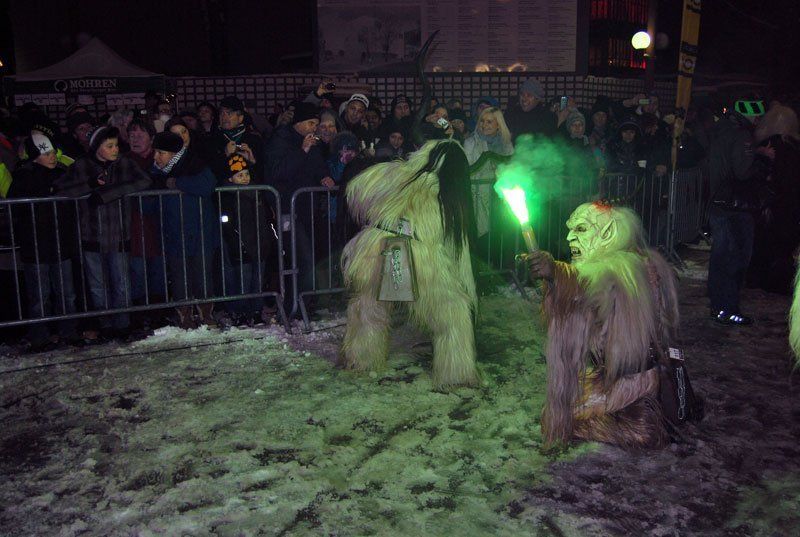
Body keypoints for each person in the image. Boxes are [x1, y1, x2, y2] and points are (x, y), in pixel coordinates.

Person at [524, 201, 681, 448]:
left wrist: (555, 273)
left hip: (633, 381)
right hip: (624, 374)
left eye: (581, 229)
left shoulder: (623, 269)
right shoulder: (637, 261)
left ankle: (640, 424)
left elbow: (588, 285)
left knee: (557, 419)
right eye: (570, 229)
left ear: (607, 234)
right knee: (565, 408)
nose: (569, 237)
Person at [341, 140, 479, 388]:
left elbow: (355, 190)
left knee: (368, 308)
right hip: (419, 255)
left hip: (374, 248)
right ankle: (456, 372)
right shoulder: (448, 195)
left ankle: (361, 360)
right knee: (453, 314)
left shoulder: (394, 173)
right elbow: (457, 251)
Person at [54, 126, 152, 340]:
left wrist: (109, 193)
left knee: (121, 283)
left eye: (116, 145)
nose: (115, 149)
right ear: (97, 147)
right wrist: (89, 186)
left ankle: (123, 325)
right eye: (109, 146)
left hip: (119, 234)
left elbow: (144, 181)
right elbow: (61, 189)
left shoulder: (125, 163)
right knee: (98, 285)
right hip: (91, 234)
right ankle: (105, 324)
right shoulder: (82, 165)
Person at [8, 131, 79, 349]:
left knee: (66, 293)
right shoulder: (23, 176)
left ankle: (68, 331)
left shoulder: (61, 172)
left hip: (60, 242)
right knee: (40, 295)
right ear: (35, 156)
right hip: (36, 245)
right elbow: (16, 206)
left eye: (53, 152)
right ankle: (40, 335)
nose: (52, 157)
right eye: (46, 153)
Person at [706, 99, 774, 325]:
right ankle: (729, 308)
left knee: (720, 257)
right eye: (757, 114)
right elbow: (743, 171)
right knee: (735, 258)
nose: (759, 119)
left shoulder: (721, 129)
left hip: (718, 202)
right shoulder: (742, 135)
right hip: (735, 206)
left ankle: (718, 306)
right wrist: (761, 157)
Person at [263, 101, 332, 314]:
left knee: (308, 258)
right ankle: (295, 305)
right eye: (311, 123)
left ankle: (304, 303)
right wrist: (302, 150)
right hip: (286, 209)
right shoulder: (281, 139)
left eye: (316, 124)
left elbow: (317, 165)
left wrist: (324, 176)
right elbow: (277, 172)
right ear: (299, 122)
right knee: (301, 258)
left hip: (307, 208)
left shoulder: (312, 142)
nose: (314, 128)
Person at [150, 131, 218, 328]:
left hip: (200, 231)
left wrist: (177, 183)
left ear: (173, 153)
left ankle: (206, 313)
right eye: (156, 152)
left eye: (161, 153)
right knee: (180, 275)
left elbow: (207, 185)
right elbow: (148, 201)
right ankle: (184, 315)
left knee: (202, 274)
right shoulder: (156, 172)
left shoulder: (194, 164)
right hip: (174, 232)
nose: (156, 157)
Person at [218, 154, 275, 324]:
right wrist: (235, 241)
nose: (245, 178)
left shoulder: (257, 191)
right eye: (240, 175)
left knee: (258, 279)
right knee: (243, 280)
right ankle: (240, 312)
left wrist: (268, 237)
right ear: (231, 178)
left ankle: (256, 310)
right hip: (241, 243)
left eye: (246, 174)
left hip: (259, 242)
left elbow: (266, 217)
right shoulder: (228, 195)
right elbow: (227, 223)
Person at [463, 106, 514, 241]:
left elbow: (513, 168)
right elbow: (468, 169)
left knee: (502, 236)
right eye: (482, 121)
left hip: (502, 198)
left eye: (489, 122)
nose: (484, 125)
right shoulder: (470, 143)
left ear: (498, 125)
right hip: (479, 196)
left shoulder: (506, 143)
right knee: (483, 236)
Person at [203, 96, 263, 185]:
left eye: (229, 113)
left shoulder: (254, 140)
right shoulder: (212, 141)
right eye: (221, 113)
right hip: (223, 191)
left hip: (249, 191)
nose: (224, 117)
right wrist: (225, 154)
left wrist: (252, 161)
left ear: (240, 118)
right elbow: (209, 173)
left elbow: (263, 174)